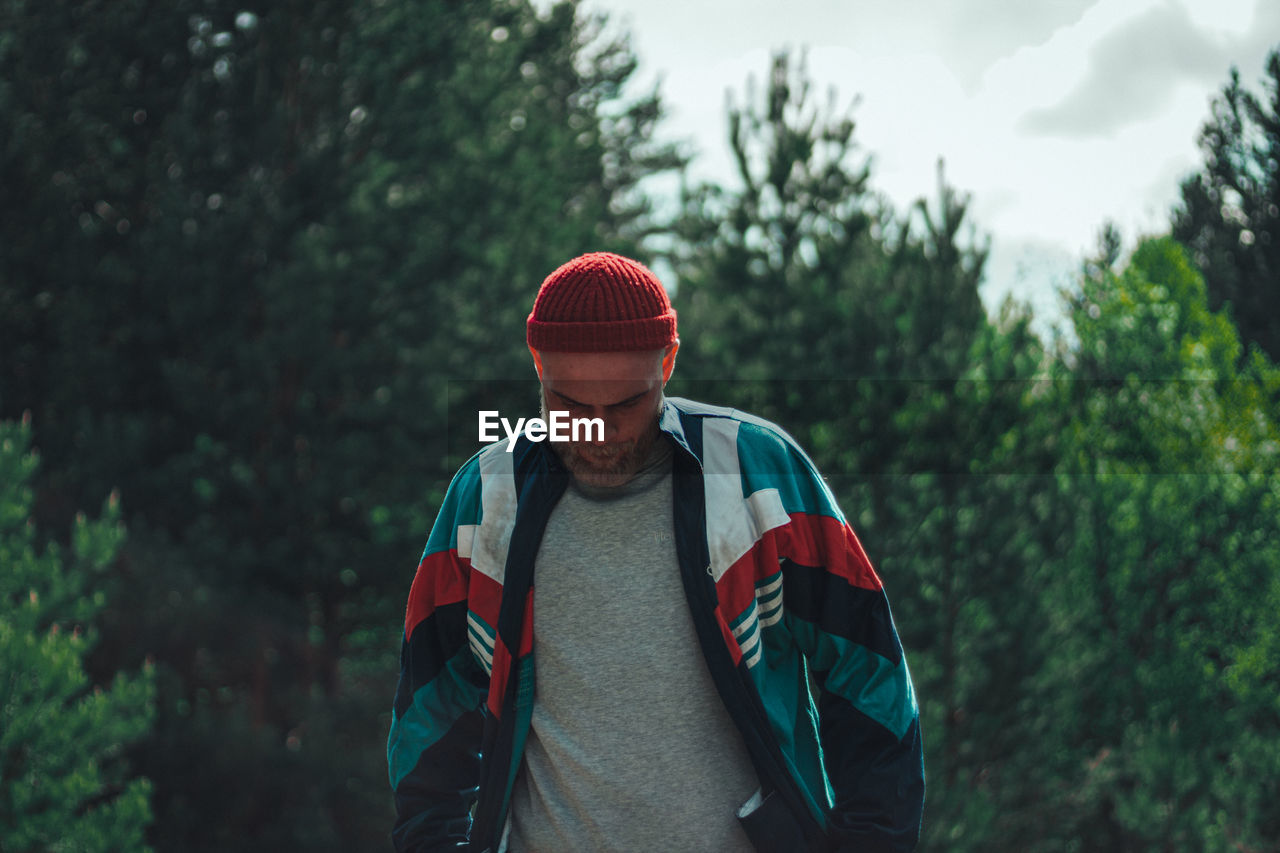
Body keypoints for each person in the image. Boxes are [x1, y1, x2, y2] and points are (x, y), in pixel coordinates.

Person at [387, 252, 924, 853]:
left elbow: (869, 672)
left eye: (624, 406)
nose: (599, 430)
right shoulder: (487, 497)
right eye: (568, 406)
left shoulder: (759, 475)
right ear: (537, 364)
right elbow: (430, 706)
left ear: (668, 362)